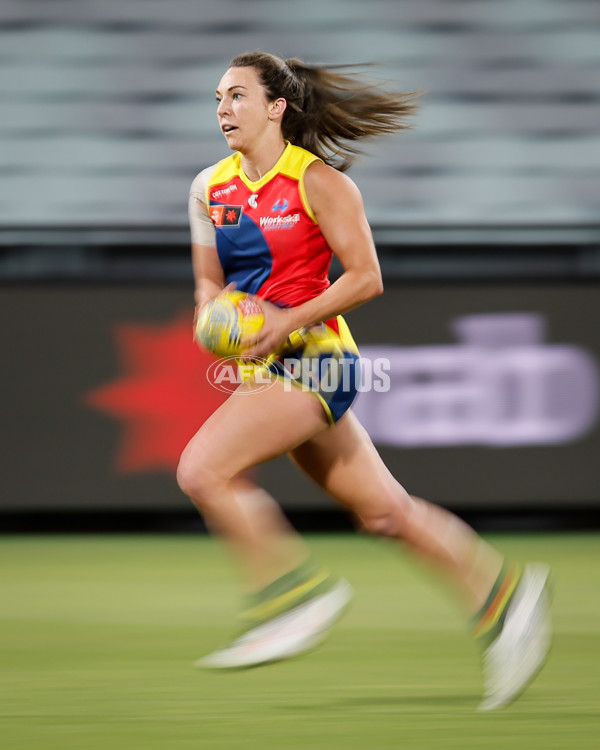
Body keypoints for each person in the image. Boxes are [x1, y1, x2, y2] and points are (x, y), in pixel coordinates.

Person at [177, 51, 552, 711]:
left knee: (202, 471)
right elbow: (209, 286)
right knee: (384, 513)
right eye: (217, 98)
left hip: (319, 360)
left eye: (237, 96)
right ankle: (507, 599)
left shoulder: (320, 184)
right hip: (265, 367)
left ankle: (294, 597)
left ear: (276, 107)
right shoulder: (210, 187)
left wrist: (285, 319)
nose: (222, 110)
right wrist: (215, 318)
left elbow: (366, 277)